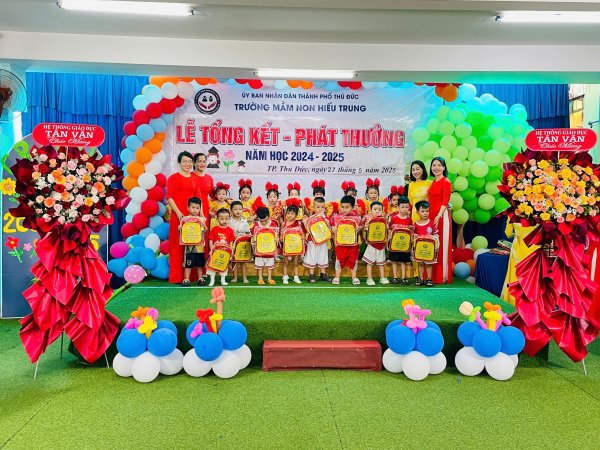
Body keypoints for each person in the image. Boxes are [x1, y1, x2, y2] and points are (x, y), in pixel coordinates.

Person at [167, 151, 202, 284]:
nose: (187, 164)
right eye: (184, 161)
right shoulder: (173, 178)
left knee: (193, 245)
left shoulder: (194, 178)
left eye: (189, 161)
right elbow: (169, 197)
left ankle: (193, 277)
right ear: (179, 163)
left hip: (193, 216)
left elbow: (198, 198)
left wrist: (201, 215)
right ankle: (177, 277)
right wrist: (178, 213)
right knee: (177, 245)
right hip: (178, 215)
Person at [501, 222, 539, 305]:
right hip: (534, 249)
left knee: (515, 276)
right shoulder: (541, 215)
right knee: (532, 277)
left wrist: (518, 233)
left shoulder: (513, 215)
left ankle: (513, 301)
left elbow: (508, 234)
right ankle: (532, 302)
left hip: (517, 251)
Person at [428, 157, 453, 284]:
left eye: (439, 165)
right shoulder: (433, 181)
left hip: (441, 216)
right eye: (434, 165)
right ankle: (431, 275)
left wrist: (439, 215)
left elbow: (445, 200)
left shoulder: (446, 182)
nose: (436, 168)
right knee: (433, 244)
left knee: (441, 244)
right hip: (431, 215)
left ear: (444, 167)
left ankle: (442, 276)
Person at [331, 195, 363, 285]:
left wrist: (359, 228)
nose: (344, 209)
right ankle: (337, 277)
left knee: (353, 260)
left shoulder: (357, 218)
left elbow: (361, 226)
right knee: (339, 260)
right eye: (342, 207)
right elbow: (333, 227)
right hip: (341, 244)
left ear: (352, 208)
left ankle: (354, 277)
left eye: (347, 207)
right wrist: (333, 229)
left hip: (353, 245)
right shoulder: (337, 218)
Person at [303, 197, 332, 283]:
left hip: (323, 241)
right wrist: (305, 222)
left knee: (323, 256)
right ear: (314, 207)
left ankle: (323, 274)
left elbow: (329, 230)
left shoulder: (326, 218)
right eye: (318, 207)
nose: (320, 209)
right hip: (313, 241)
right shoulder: (311, 218)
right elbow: (307, 229)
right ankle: (311, 275)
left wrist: (328, 224)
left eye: (322, 207)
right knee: (312, 256)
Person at [180, 197, 207, 287]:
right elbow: (181, 232)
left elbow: (205, 231)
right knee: (188, 263)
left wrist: (205, 228)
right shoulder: (184, 219)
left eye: (197, 208)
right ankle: (186, 279)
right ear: (188, 207)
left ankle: (200, 278)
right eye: (193, 207)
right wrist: (179, 228)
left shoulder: (202, 219)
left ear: (200, 209)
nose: (195, 210)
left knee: (200, 263)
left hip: (199, 246)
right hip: (189, 246)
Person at [362, 201, 390, 286]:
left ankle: (382, 277)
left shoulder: (384, 220)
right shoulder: (368, 221)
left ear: (382, 211)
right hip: (371, 245)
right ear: (370, 211)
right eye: (375, 209)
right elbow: (365, 233)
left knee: (381, 263)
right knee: (369, 263)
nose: (377, 211)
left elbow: (387, 231)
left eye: (379, 209)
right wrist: (366, 229)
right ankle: (369, 278)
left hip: (381, 245)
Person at [206, 208, 235, 286]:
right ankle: (212, 280)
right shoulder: (214, 229)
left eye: (226, 219)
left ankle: (223, 280)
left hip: (225, 252)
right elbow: (211, 240)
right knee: (212, 265)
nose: (224, 221)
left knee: (223, 265)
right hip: (215, 252)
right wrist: (211, 249)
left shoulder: (230, 230)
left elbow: (231, 241)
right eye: (222, 219)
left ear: (229, 218)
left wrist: (231, 250)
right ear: (217, 218)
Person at [388, 196, 412, 285]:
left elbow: (411, 231)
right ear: (398, 207)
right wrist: (390, 236)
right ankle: (395, 277)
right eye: (402, 207)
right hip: (395, 245)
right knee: (394, 261)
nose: (405, 209)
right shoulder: (394, 218)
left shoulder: (409, 219)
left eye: (406, 207)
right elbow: (390, 228)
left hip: (404, 245)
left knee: (403, 261)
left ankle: (403, 277)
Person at [413, 200, 438, 287]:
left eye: (427, 211)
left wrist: (434, 238)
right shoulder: (415, 224)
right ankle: (421, 279)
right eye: (422, 211)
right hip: (419, 249)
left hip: (429, 249)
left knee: (429, 264)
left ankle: (429, 279)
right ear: (417, 212)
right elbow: (413, 235)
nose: (425, 213)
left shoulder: (431, 223)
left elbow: (436, 234)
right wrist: (415, 237)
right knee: (420, 263)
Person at [252, 207, 279, 285]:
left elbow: (276, 235)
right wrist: (253, 242)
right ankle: (260, 278)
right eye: (261, 221)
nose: (263, 223)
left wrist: (276, 239)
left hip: (270, 249)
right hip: (259, 250)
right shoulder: (256, 225)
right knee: (259, 264)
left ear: (269, 216)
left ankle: (269, 278)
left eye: (265, 221)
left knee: (270, 264)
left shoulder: (273, 225)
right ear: (258, 218)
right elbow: (253, 236)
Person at [280, 204, 305, 284]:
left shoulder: (299, 224)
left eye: (292, 214)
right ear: (286, 213)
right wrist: (281, 238)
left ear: (296, 215)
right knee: (286, 262)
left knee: (296, 262)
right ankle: (285, 276)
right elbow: (281, 236)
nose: (290, 215)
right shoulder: (284, 224)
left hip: (296, 247)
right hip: (287, 247)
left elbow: (302, 235)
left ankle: (296, 277)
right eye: (288, 213)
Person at [229, 200, 251, 284]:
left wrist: (246, 237)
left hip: (242, 245)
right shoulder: (229, 221)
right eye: (235, 209)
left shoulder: (244, 221)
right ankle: (234, 277)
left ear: (242, 210)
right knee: (234, 261)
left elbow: (248, 233)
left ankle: (244, 277)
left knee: (243, 262)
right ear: (231, 211)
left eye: (240, 209)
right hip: (233, 244)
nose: (238, 211)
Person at [192, 153, 214, 221]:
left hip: (205, 209)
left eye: (204, 161)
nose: (202, 164)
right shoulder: (189, 176)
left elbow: (213, 195)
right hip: (192, 209)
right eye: (199, 161)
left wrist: (226, 200)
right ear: (194, 163)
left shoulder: (209, 178)